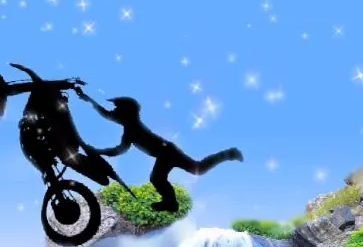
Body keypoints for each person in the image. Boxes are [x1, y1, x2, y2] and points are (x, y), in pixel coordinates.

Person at [75, 89, 244, 212]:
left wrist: (98, 151)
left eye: (116, 109)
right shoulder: (129, 128)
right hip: (165, 152)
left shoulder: (132, 129)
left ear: (125, 113)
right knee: (170, 175)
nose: (113, 112)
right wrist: (89, 100)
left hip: (166, 152)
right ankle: (171, 203)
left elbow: (118, 149)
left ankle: (227, 154)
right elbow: (110, 123)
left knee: (185, 171)